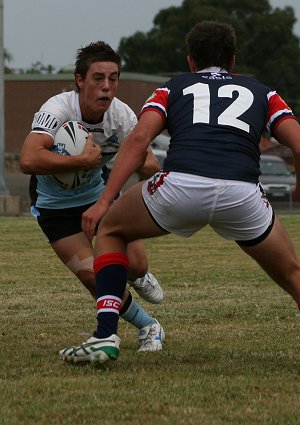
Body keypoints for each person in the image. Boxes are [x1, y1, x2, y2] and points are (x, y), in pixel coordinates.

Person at [59, 20, 300, 366]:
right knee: (292, 272)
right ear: (233, 62)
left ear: (190, 61)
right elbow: (297, 142)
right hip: (242, 193)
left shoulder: (173, 88)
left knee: (111, 229)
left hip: (183, 185)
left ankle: (104, 336)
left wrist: (104, 201)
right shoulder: (263, 92)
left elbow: (139, 140)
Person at [19, 41, 165, 353]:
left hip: (98, 198)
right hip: (55, 208)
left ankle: (138, 275)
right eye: (98, 78)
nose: (107, 87)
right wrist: (81, 161)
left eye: (113, 79)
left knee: (136, 264)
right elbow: (28, 160)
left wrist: (138, 157)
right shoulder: (57, 109)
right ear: (80, 80)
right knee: (96, 280)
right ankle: (149, 326)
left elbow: (149, 163)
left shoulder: (122, 117)